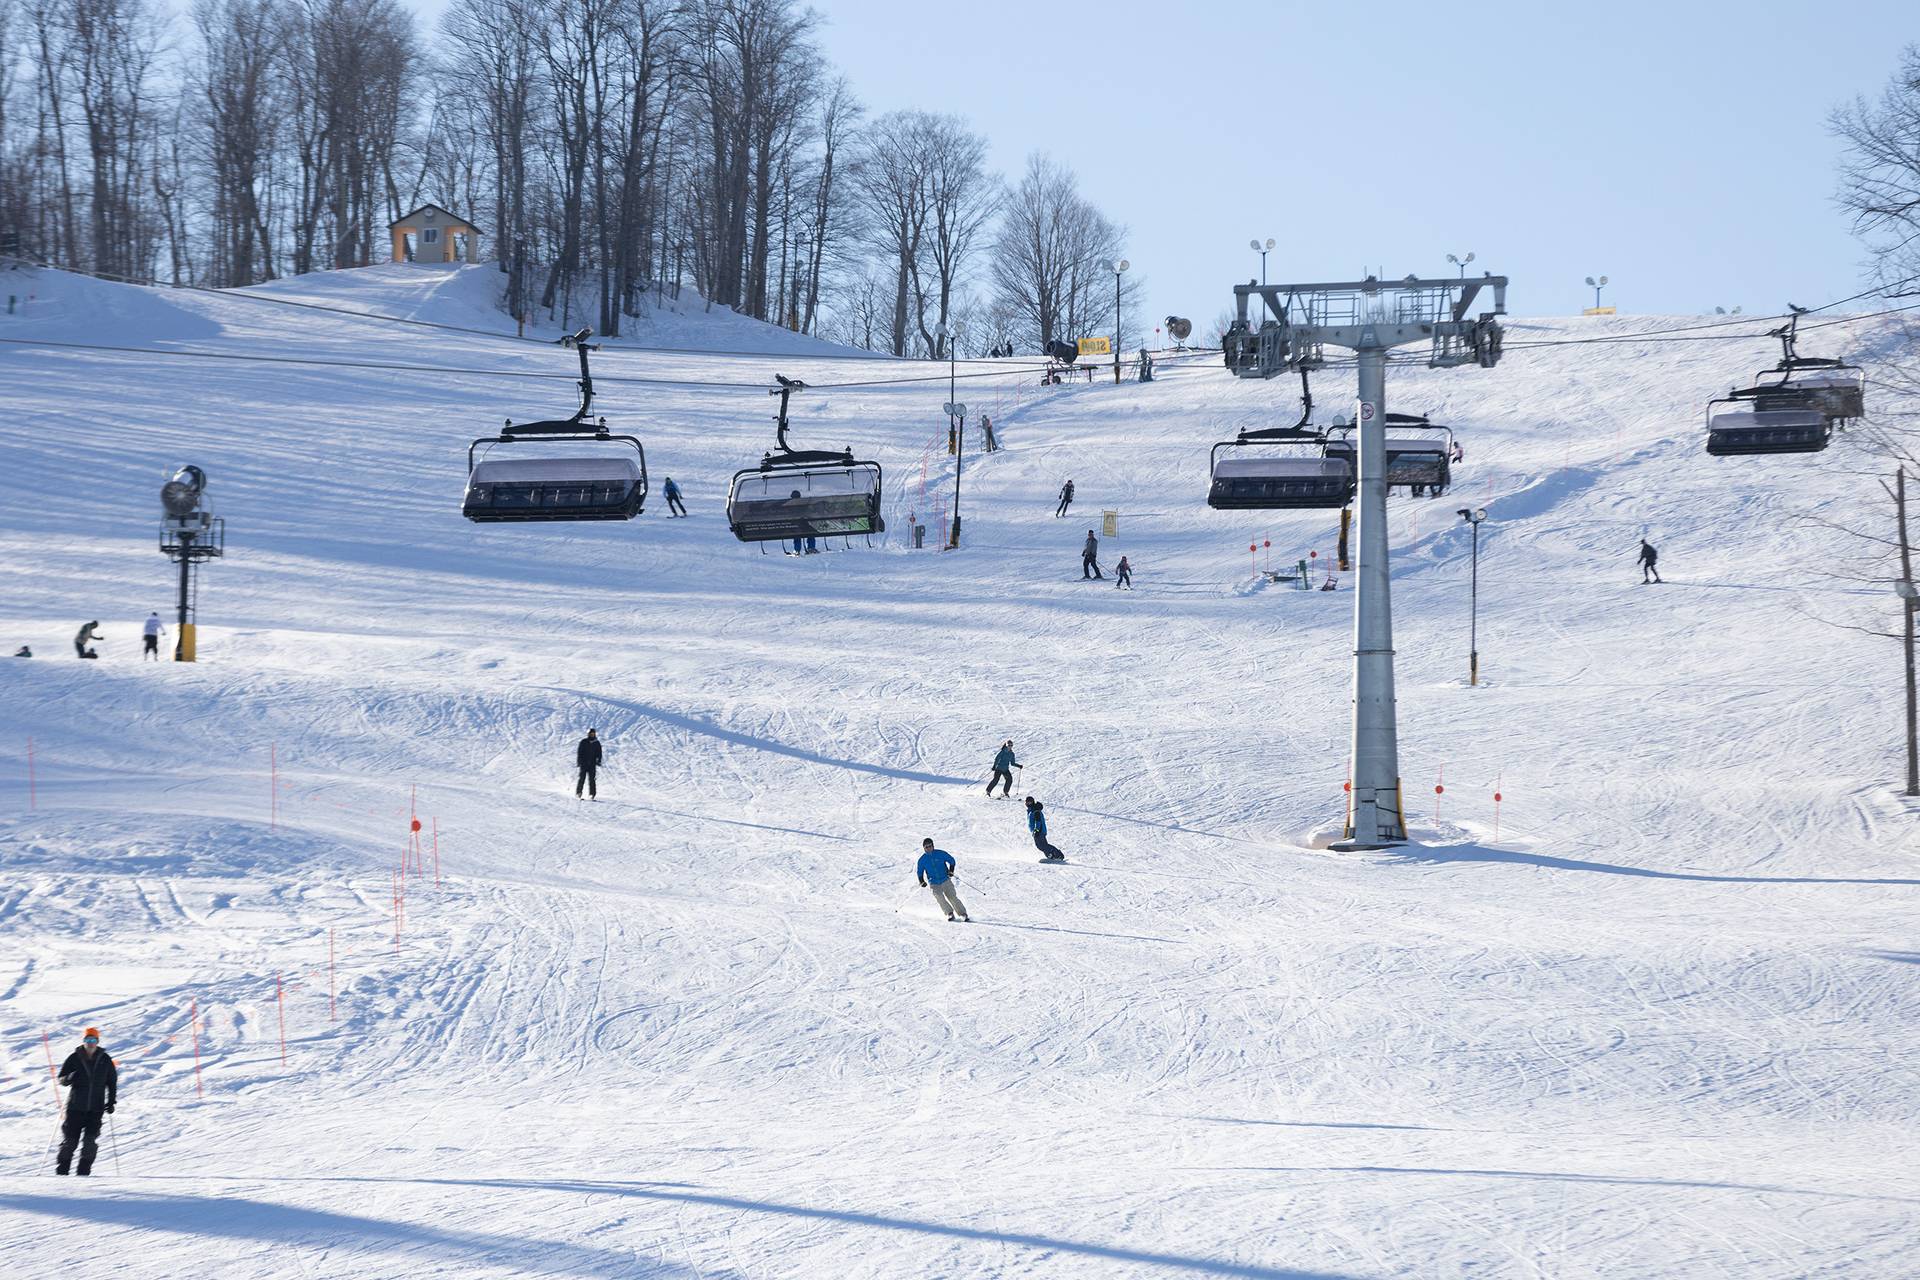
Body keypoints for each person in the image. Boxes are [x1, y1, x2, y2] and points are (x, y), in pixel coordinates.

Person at [55, 1027, 117, 1176]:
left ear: (97, 1042)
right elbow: (62, 1079)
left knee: (90, 1143)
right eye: (87, 1040)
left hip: (96, 1109)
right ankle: (62, 1172)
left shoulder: (105, 1059)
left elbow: (112, 1081)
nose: (90, 1043)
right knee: (70, 1142)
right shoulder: (74, 1058)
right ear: (83, 1041)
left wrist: (111, 1102)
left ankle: (83, 1174)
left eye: (93, 1040)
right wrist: (69, 1078)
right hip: (75, 1107)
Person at [915, 838, 969, 922]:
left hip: (945, 879)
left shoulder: (940, 853)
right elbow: (919, 872)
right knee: (939, 897)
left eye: (930, 846)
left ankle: (963, 914)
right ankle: (949, 913)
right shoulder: (922, 860)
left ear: (933, 846)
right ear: (924, 848)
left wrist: (951, 870)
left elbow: (952, 861)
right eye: (926, 847)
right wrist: (921, 881)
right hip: (934, 882)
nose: (928, 848)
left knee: (952, 897)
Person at [1026, 796, 1065, 861]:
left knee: (1041, 846)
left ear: (1033, 802)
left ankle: (1058, 855)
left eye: (1030, 802)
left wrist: (1037, 830)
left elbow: (1038, 821)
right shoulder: (1032, 810)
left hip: (1039, 831)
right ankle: (1051, 855)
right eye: (1027, 802)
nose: (1028, 803)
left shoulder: (1035, 811)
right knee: (1042, 846)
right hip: (1037, 831)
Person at [575, 728, 603, 800]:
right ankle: (578, 793)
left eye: (593, 734)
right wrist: (579, 761)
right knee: (582, 778)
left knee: (592, 779)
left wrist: (598, 760)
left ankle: (592, 794)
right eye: (590, 734)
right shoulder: (584, 742)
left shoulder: (596, 743)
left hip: (592, 764)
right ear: (588, 734)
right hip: (584, 763)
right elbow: (580, 752)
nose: (592, 735)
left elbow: (599, 753)